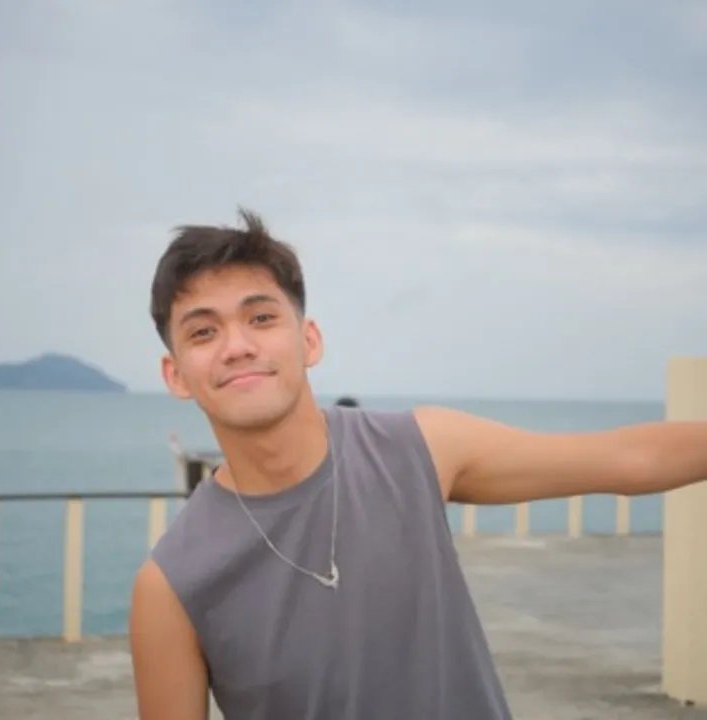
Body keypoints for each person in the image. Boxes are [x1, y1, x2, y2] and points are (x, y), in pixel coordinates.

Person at [129, 208, 707, 720]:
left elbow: (625, 460)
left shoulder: (418, 448)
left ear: (309, 340)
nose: (237, 346)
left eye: (260, 318)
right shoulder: (171, 585)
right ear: (175, 374)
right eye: (203, 331)